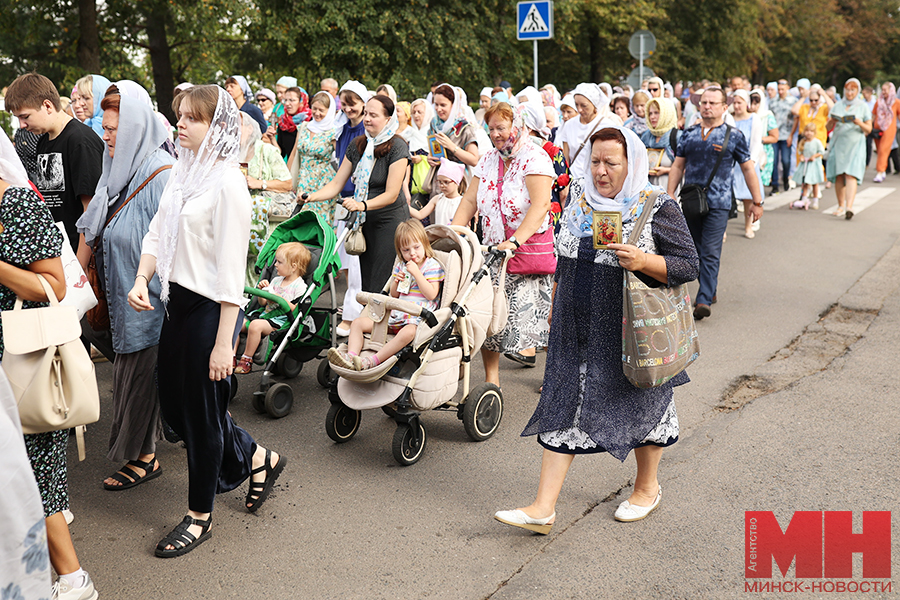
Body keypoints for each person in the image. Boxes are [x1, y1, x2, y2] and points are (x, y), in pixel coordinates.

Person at [493, 126, 699, 534]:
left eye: (611, 162)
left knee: (643, 406)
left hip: (630, 332)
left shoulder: (656, 206)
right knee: (563, 407)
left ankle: (646, 488)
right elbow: (565, 262)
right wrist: (555, 305)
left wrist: (642, 261)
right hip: (575, 329)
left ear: (632, 163)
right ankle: (543, 507)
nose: (600, 171)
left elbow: (688, 265)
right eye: (595, 160)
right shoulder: (578, 204)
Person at [128, 85, 286, 558]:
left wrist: (224, 344)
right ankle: (258, 457)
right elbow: (158, 230)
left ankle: (200, 516)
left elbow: (231, 274)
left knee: (198, 416)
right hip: (175, 302)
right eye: (179, 115)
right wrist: (142, 277)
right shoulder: (182, 172)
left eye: (192, 118)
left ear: (215, 126)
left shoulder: (228, 184)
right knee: (176, 410)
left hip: (210, 312)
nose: (180, 123)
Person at [0, 134, 98, 598]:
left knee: (36, 471)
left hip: (25, 358)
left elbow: (51, 284)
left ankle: (73, 579)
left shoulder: (18, 203)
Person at [75, 91, 174, 492]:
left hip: (145, 298)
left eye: (114, 129)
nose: (107, 136)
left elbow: (170, 244)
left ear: (134, 128)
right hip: (120, 294)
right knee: (140, 376)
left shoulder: (162, 172)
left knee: (136, 376)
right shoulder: (117, 167)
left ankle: (143, 458)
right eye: (105, 128)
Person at [451, 102, 553, 381]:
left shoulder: (535, 157)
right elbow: (470, 199)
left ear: (517, 127)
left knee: (532, 325)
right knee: (486, 317)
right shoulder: (488, 159)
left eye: (501, 128)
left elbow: (541, 204)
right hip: (492, 251)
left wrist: (516, 241)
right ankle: (491, 378)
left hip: (524, 252)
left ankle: (555, 377)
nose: (495, 134)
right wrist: (453, 233)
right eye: (491, 128)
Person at [667, 87, 763, 320]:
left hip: (719, 202)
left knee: (710, 250)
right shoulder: (688, 134)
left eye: (712, 102)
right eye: (704, 102)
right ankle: (711, 289)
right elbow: (678, 165)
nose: (707, 106)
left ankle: (703, 299)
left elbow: (748, 168)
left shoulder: (733, 135)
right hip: (690, 201)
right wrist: (670, 194)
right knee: (696, 250)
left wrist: (757, 201)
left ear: (723, 107)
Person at [304, 94, 410, 301]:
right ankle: (367, 327)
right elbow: (336, 184)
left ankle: (379, 327)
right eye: (366, 114)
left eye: (374, 115)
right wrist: (311, 197)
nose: (367, 119)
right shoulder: (358, 145)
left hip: (390, 222)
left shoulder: (398, 147)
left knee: (382, 283)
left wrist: (362, 204)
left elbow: (391, 194)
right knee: (367, 282)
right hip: (364, 222)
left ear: (389, 119)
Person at [5, 73, 104, 261]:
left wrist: (82, 263)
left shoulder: (80, 141)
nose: (22, 125)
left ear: (47, 105)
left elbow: (91, 209)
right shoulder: (43, 141)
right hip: (58, 253)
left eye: (25, 116)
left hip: (78, 255)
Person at [328, 219, 444, 371]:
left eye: (416, 247)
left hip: (415, 320)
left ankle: (373, 360)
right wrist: (396, 281)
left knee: (409, 332)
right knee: (357, 323)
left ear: (425, 244)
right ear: (400, 251)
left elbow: (431, 294)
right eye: (406, 250)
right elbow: (394, 295)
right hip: (396, 317)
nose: (412, 253)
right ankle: (351, 356)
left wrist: (416, 273)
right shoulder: (401, 265)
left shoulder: (432, 266)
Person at [235, 242, 310, 374]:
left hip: (280, 320)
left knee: (255, 326)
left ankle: (246, 359)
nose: (275, 265)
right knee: (235, 322)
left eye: (279, 262)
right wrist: (263, 292)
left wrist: (278, 298)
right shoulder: (276, 281)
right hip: (264, 315)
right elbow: (263, 303)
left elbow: (296, 309)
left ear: (293, 267)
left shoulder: (300, 287)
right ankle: (231, 355)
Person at [241, 112, 293, 286]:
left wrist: (260, 183)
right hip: (239, 218)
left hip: (264, 224)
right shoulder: (228, 152)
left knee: (260, 268)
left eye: (237, 126)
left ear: (250, 129)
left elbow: (287, 183)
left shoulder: (266, 150)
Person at [289, 91, 339, 226]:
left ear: (329, 111)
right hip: (303, 179)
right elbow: (294, 154)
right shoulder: (304, 127)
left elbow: (341, 159)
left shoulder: (333, 132)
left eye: (321, 110)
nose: (317, 113)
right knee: (300, 220)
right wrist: (288, 179)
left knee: (319, 222)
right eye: (314, 109)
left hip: (323, 181)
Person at [825, 79, 872, 219]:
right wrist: (832, 121)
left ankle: (849, 207)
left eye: (853, 90)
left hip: (855, 143)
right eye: (847, 90)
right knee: (840, 174)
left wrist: (859, 122)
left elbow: (869, 129)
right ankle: (840, 205)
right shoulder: (838, 105)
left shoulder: (862, 106)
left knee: (851, 174)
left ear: (857, 91)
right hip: (839, 143)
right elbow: (827, 128)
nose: (850, 93)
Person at [558, 83, 620, 186]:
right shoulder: (569, 125)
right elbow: (566, 157)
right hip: (573, 181)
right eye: (576, 104)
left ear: (594, 104)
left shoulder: (607, 125)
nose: (579, 109)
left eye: (584, 105)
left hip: (596, 180)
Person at [424, 84, 480, 195]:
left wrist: (451, 146)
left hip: (458, 184)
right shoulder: (434, 124)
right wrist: (430, 158)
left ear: (453, 105)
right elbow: (434, 151)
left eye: (443, 105)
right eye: (436, 104)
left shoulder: (464, 126)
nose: (438, 109)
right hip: (438, 184)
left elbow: (474, 160)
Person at [730, 90, 766, 239]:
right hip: (732, 164)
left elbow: (756, 142)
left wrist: (751, 161)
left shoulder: (754, 119)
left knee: (748, 198)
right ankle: (723, 230)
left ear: (746, 103)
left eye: (740, 103)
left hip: (747, 163)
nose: (737, 106)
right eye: (735, 103)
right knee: (728, 197)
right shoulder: (729, 118)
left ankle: (748, 225)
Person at [640, 97, 680, 191]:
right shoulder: (646, 137)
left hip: (671, 191)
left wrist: (666, 170)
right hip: (649, 193)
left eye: (657, 113)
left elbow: (687, 168)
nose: (652, 117)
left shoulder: (677, 137)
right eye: (650, 113)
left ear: (666, 114)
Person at [410, 158, 465, 225]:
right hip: (440, 234)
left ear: (457, 182)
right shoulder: (437, 199)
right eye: (439, 182)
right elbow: (420, 214)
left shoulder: (462, 201)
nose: (442, 185)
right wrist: (404, 205)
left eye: (446, 182)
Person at [768, 79, 795, 194]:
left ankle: (785, 179)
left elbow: (796, 119)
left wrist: (791, 135)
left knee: (785, 160)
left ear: (788, 88)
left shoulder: (793, 101)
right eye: (778, 89)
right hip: (774, 134)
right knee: (773, 160)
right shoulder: (773, 101)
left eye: (783, 89)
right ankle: (775, 185)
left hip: (786, 134)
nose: (780, 91)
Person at [749, 89, 779, 192]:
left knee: (758, 183)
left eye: (756, 104)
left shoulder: (767, 116)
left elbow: (774, 137)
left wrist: (758, 139)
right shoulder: (746, 116)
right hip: (748, 151)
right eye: (751, 103)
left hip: (763, 152)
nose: (753, 107)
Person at [792, 123, 826, 210]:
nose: (808, 133)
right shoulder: (803, 142)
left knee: (815, 183)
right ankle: (803, 199)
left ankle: (815, 200)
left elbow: (821, 151)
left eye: (811, 131)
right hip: (805, 165)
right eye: (807, 131)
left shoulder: (816, 142)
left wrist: (814, 156)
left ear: (814, 133)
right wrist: (802, 157)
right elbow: (800, 152)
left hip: (813, 165)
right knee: (805, 183)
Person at [270, 86, 309, 160]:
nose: (287, 103)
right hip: (291, 169)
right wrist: (272, 139)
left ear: (301, 101)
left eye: (292, 100)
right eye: (285, 100)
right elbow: (281, 154)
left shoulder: (310, 122)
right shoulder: (284, 124)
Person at [872, 82, 900, 183]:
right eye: (882, 90)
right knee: (880, 150)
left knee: (884, 150)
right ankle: (883, 170)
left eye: (885, 90)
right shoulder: (878, 102)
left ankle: (880, 171)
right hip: (877, 129)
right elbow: (873, 115)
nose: (883, 92)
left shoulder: (896, 102)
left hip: (889, 128)